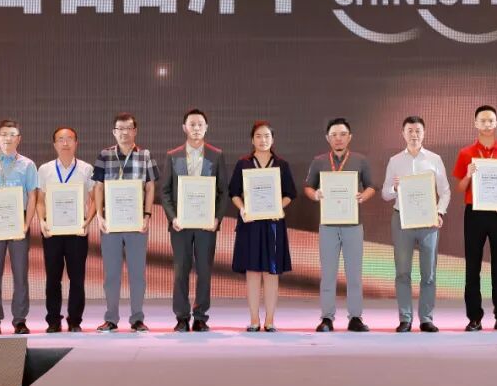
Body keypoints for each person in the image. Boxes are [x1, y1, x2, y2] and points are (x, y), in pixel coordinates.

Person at [452, 105, 497, 332]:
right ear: (475, 123)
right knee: (473, 266)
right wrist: (468, 175)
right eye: (482, 120)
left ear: (496, 123)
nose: (487, 124)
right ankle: (474, 317)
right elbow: (460, 188)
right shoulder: (465, 153)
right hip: (474, 213)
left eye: (491, 120)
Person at [304, 118, 376, 332]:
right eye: (334, 135)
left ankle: (355, 317)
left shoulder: (360, 160)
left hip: (353, 224)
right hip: (328, 225)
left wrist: (363, 196)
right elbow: (308, 187)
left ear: (350, 137)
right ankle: (327, 318)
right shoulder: (319, 161)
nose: (338, 138)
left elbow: (372, 186)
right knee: (328, 274)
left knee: (354, 274)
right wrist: (315, 194)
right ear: (328, 138)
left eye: (343, 134)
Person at [380, 116, 451, 333]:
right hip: (402, 220)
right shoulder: (395, 161)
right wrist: (395, 188)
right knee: (402, 272)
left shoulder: (434, 159)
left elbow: (445, 191)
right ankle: (405, 318)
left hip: (428, 221)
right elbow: (385, 194)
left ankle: (426, 318)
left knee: (428, 273)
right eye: (410, 130)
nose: (414, 135)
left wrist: (439, 212)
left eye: (418, 130)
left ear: (424, 133)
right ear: (403, 134)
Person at [160, 109, 229, 332]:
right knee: (181, 270)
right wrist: (173, 218)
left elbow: (223, 191)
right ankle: (181, 317)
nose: (196, 128)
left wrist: (217, 218)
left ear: (206, 128)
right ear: (184, 128)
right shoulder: (173, 155)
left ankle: (200, 317)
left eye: (200, 124)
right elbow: (165, 191)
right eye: (192, 124)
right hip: (180, 225)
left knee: (204, 271)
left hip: (206, 224)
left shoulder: (216, 155)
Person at [93, 113, 160, 333]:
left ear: (135, 131)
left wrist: (147, 215)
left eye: (128, 128)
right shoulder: (104, 155)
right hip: (111, 224)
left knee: (137, 274)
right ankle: (111, 318)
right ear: (114, 132)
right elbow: (98, 186)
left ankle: (137, 318)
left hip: (136, 223)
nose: (124, 132)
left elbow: (150, 186)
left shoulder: (145, 155)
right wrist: (100, 216)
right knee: (111, 274)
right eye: (120, 129)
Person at [230, 121, 296, 332]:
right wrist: (242, 208)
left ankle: (269, 320)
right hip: (250, 225)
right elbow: (234, 193)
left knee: (271, 273)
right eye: (258, 136)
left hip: (273, 225)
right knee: (252, 273)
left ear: (273, 139)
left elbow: (290, 194)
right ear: (252, 139)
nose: (263, 140)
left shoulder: (282, 165)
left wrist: (278, 207)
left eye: (267, 136)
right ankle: (253, 320)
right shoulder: (243, 164)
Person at [0, 120, 38, 335]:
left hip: (19, 222)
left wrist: (27, 224)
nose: (7, 138)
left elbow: (32, 196)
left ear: (19, 139)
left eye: (12, 134)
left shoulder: (28, 165)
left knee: (20, 274)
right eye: (4, 134)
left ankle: (20, 320)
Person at [36, 126, 96, 333]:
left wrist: (87, 222)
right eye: (60, 139)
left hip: (77, 231)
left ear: (76, 143)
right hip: (52, 231)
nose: (65, 143)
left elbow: (95, 198)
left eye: (69, 139)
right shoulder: (45, 170)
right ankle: (53, 320)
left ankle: (75, 320)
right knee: (53, 278)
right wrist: (41, 220)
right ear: (54, 144)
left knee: (77, 278)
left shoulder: (86, 169)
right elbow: (40, 199)